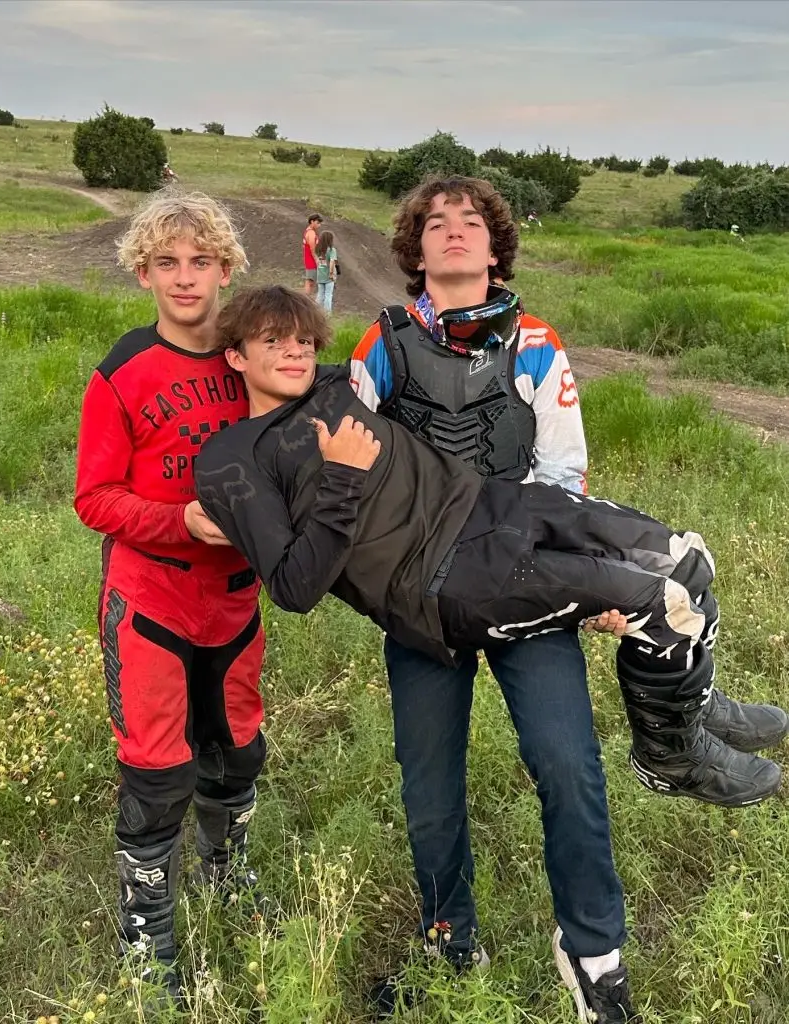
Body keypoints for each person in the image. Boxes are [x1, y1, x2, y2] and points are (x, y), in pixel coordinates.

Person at [195, 284, 786, 1024]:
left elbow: (447, 343)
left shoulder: (336, 386)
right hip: (445, 582)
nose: (292, 351)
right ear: (236, 354)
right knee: (651, 609)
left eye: (303, 340)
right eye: (272, 340)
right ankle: (665, 762)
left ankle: (693, 708)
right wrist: (342, 476)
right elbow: (291, 586)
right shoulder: (229, 458)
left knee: (685, 562)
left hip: (496, 505)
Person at [347, 175, 787, 1018]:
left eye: (468, 222)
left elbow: (561, 475)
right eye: (434, 224)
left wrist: (580, 584)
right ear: (412, 248)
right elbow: (352, 464)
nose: (452, 234)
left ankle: (594, 957)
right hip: (421, 596)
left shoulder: (536, 342)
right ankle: (449, 946)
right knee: (427, 783)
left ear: (493, 245)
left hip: (519, 581)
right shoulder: (382, 343)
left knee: (567, 766)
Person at [74, 191, 267, 1006]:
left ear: (227, 268)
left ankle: (227, 874)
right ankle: (145, 924)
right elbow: (94, 498)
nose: (185, 279)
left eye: (200, 261)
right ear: (142, 272)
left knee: (236, 749)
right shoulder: (124, 371)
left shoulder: (254, 359)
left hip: (235, 603)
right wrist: (179, 519)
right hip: (150, 598)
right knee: (158, 771)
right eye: (167, 263)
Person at [315, 229, 338, 313]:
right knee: (328, 294)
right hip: (328, 275)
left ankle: (316, 311)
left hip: (320, 274)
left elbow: (317, 261)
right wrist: (331, 273)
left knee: (320, 294)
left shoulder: (318, 249)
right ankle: (327, 313)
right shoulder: (332, 250)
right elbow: (332, 261)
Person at [303, 213, 323, 295]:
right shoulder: (311, 233)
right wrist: (316, 259)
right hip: (311, 259)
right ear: (312, 222)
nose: (319, 225)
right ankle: (306, 297)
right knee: (310, 280)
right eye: (318, 223)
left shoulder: (309, 231)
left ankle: (308, 297)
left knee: (312, 280)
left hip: (310, 258)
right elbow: (312, 248)